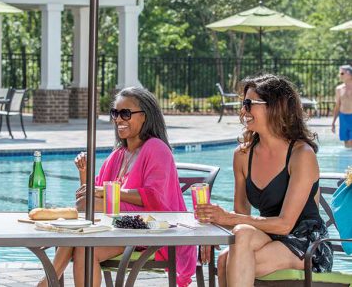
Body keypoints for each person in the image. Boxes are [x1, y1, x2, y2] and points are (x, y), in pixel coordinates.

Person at [38, 87, 196, 287]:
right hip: (120, 228)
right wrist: (84, 172)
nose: (119, 119)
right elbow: (89, 198)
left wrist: (105, 192)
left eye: (125, 113)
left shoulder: (156, 148)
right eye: (115, 113)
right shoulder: (119, 154)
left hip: (153, 229)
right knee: (84, 247)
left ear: (145, 117)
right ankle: (48, 281)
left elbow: (154, 197)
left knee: (85, 212)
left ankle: (47, 281)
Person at [196, 74, 333, 287]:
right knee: (229, 251)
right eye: (243, 103)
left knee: (227, 261)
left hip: (306, 245)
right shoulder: (242, 155)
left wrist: (228, 218)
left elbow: (285, 224)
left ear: (275, 107)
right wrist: (213, 230)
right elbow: (240, 216)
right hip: (268, 235)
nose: (243, 111)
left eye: (249, 104)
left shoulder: (301, 154)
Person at [331, 64, 352, 148]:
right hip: (343, 117)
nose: (340, 75)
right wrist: (333, 122)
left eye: (342, 73)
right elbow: (337, 106)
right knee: (346, 145)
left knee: (351, 142)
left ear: (349, 74)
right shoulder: (339, 89)